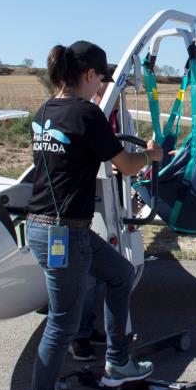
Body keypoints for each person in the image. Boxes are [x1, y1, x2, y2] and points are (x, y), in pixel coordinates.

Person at [21, 40, 163, 390]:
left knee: (119, 273)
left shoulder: (45, 111)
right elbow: (127, 164)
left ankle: (118, 361)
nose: (101, 83)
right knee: (61, 325)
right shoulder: (87, 115)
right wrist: (151, 154)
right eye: (101, 76)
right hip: (65, 232)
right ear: (88, 76)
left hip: (48, 226)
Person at [70, 79, 135, 362]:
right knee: (89, 275)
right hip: (93, 197)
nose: (117, 97)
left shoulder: (124, 118)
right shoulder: (88, 115)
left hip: (117, 194)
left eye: (120, 92)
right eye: (111, 91)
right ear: (98, 89)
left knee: (108, 268)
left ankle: (95, 328)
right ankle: (79, 336)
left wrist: (130, 199)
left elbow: (129, 160)